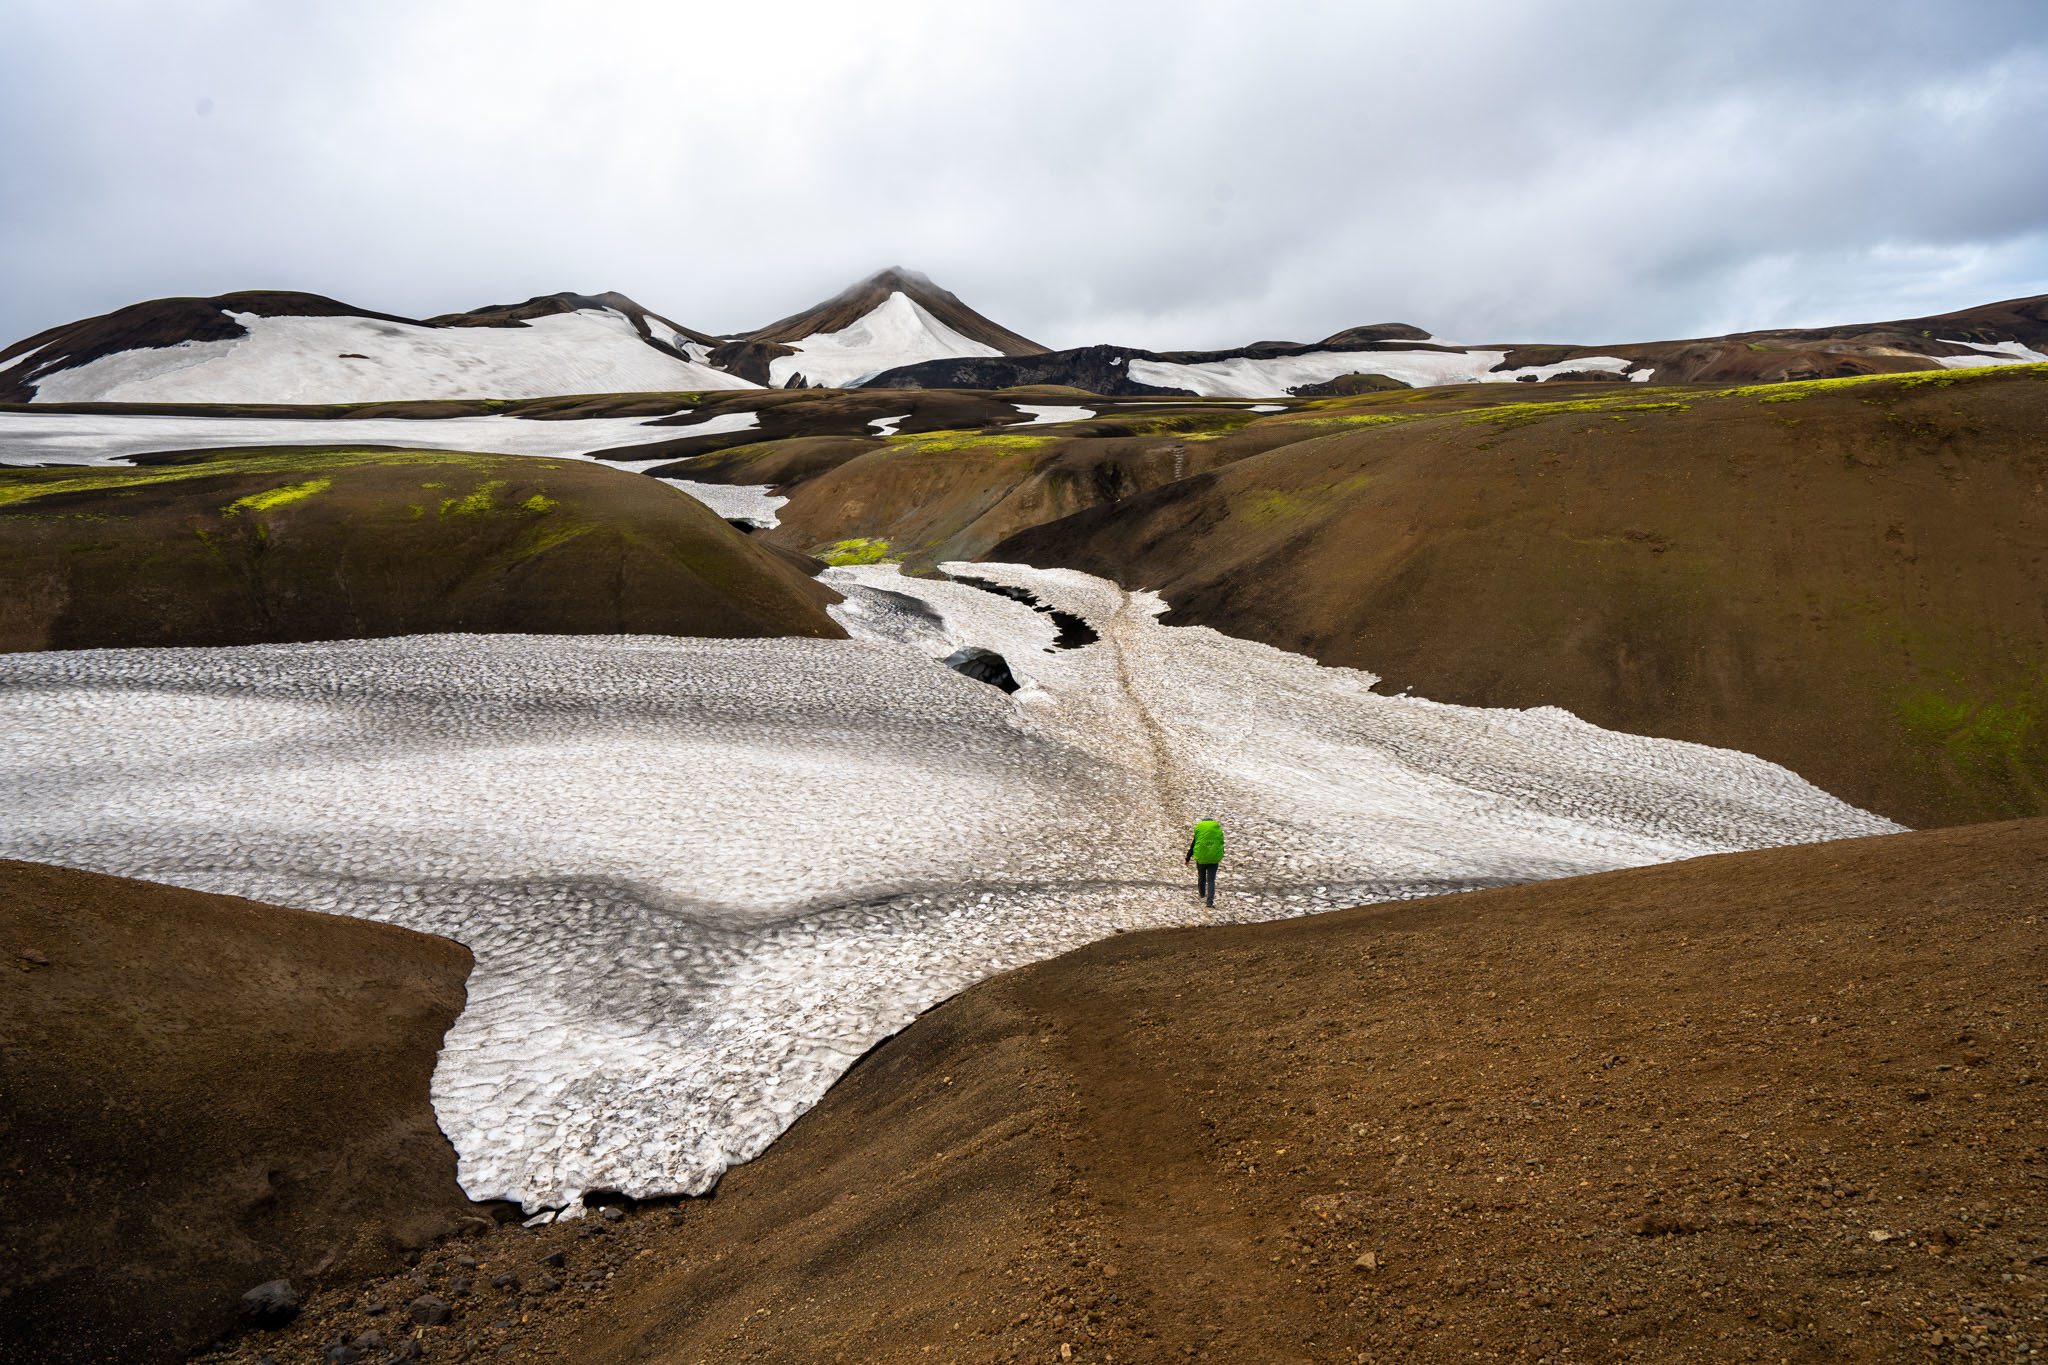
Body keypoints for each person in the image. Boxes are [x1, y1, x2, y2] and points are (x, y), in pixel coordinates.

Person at [1185, 816, 1224, 906]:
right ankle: (1209, 901)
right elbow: (1221, 844)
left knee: (1201, 877)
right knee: (1211, 880)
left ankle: (1202, 894)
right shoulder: (1217, 831)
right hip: (1213, 859)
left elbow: (1193, 846)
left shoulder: (1200, 832)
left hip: (1201, 858)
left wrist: (1188, 858)